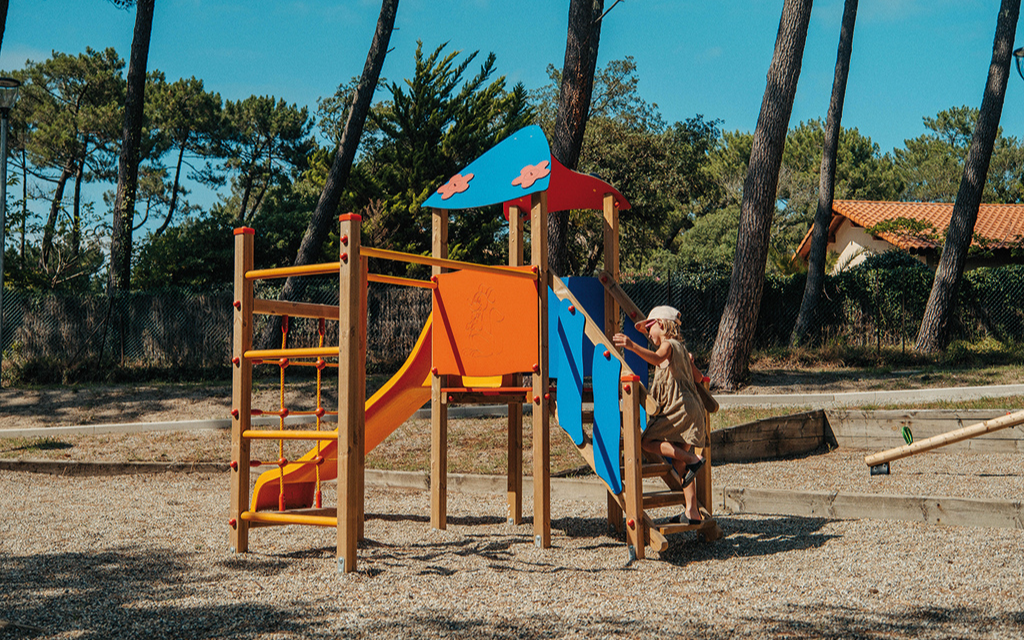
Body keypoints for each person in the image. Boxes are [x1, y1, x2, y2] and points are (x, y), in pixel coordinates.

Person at [612, 305, 706, 525]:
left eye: (649, 329)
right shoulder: (682, 350)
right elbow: (699, 379)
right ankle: (692, 511)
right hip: (692, 410)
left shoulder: (668, 345)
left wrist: (631, 345)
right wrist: (691, 364)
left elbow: (655, 359)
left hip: (678, 409)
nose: (647, 334)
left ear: (661, 325)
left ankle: (693, 458)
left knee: (646, 441)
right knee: (681, 464)